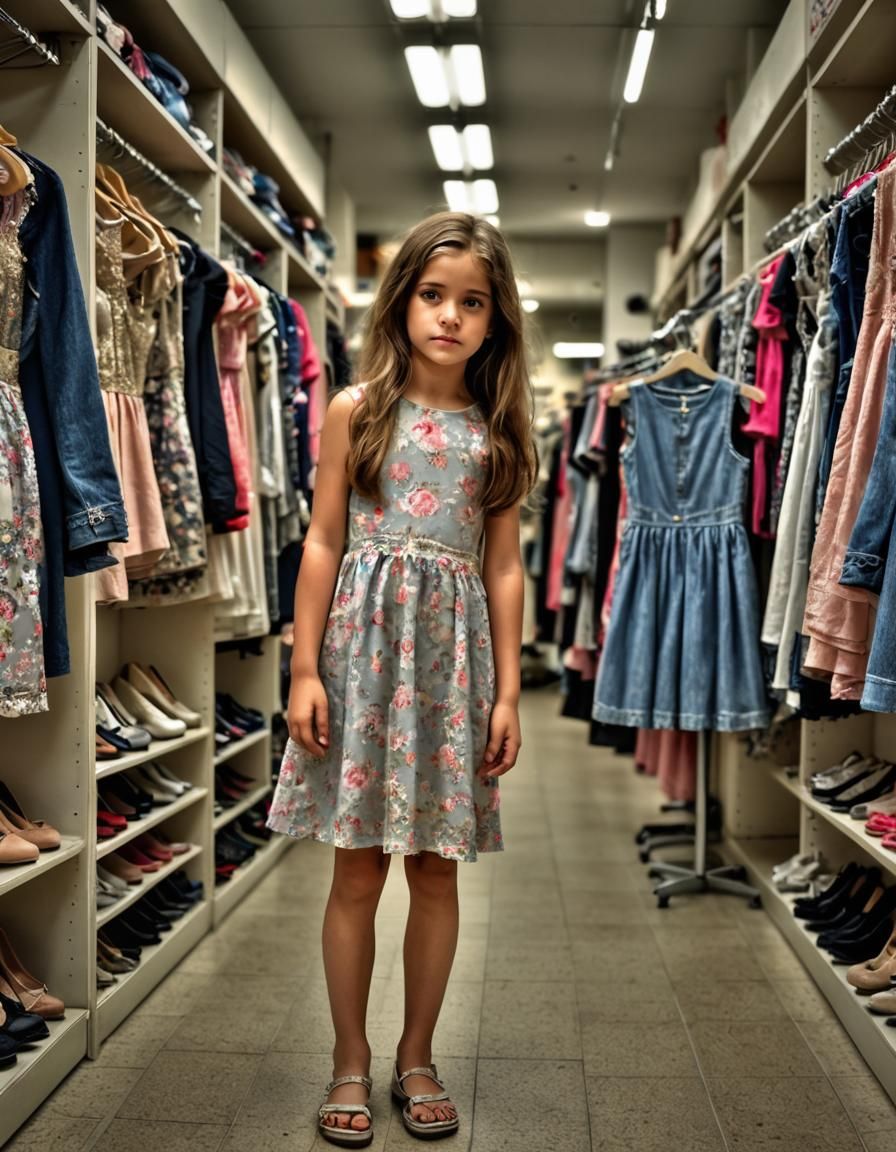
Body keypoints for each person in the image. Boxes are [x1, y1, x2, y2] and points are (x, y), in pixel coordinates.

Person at [267, 211, 537, 1145]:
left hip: (450, 673)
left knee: (434, 870)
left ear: (496, 320)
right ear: (402, 302)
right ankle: (349, 1056)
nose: (451, 318)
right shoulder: (356, 410)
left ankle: (415, 1054)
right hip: (361, 661)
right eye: (434, 296)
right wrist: (304, 667)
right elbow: (324, 539)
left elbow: (504, 566)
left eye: (473, 302)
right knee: (354, 873)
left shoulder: (497, 429)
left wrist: (505, 690)